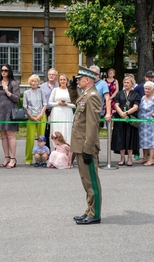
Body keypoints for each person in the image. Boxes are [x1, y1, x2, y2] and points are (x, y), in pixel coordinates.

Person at [71, 65, 102, 225]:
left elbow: (92, 125)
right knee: (86, 180)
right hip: (79, 144)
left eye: (79, 79)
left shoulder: (93, 96)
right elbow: (76, 103)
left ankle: (95, 214)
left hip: (86, 146)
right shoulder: (85, 95)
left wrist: (89, 148)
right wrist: (72, 89)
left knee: (91, 181)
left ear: (87, 80)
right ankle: (89, 210)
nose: (77, 81)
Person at [0, 64, 20, 169]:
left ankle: (13, 158)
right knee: (3, 135)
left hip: (10, 112)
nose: (3, 72)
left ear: (9, 71)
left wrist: (7, 91)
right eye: (2, 70)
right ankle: (6, 157)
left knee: (10, 135)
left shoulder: (13, 83)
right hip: (0, 112)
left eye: (6, 70)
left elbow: (17, 99)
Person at [111, 75, 141, 166]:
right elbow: (116, 104)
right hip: (120, 119)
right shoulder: (119, 93)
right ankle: (122, 158)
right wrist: (121, 113)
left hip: (131, 119)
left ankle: (130, 158)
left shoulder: (136, 94)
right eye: (125, 82)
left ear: (132, 84)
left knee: (130, 138)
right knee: (121, 138)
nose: (126, 84)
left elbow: (136, 107)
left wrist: (126, 113)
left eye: (128, 82)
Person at [23, 74, 47, 166]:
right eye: (32, 81)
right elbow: (25, 106)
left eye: (36, 81)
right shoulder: (26, 93)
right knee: (30, 138)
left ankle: (42, 158)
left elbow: (45, 104)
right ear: (30, 82)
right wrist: (31, 117)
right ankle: (28, 158)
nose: (34, 83)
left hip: (41, 116)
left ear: (38, 82)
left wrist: (41, 114)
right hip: (31, 117)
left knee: (42, 138)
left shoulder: (41, 91)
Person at [48, 73, 75, 146]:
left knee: (67, 130)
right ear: (59, 81)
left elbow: (75, 105)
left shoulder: (71, 90)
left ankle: (67, 147)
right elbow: (50, 103)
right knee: (57, 129)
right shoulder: (55, 90)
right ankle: (56, 147)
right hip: (57, 113)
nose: (62, 81)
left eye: (64, 79)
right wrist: (58, 103)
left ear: (67, 81)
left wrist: (67, 104)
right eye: (61, 80)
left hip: (67, 113)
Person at [40, 68, 59, 150]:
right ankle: (47, 150)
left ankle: (57, 149)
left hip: (56, 111)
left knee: (55, 132)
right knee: (46, 132)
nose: (51, 76)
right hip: (45, 111)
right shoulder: (42, 86)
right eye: (49, 74)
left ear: (56, 76)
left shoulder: (59, 85)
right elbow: (40, 100)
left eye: (53, 74)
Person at [137, 81, 154, 166]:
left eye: (148, 89)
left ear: (152, 90)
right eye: (145, 89)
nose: (146, 90)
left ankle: (151, 159)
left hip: (151, 123)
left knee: (151, 142)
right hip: (142, 122)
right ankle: (144, 157)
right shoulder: (143, 97)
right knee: (143, 140)